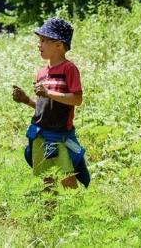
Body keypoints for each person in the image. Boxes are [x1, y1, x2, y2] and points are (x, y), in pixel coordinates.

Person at [11, 17, 90, 191]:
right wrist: (25, 100)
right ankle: (49, 215)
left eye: (44, 41)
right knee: (47, 180)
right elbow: (43, 108)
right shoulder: (40, 73)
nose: (39, 45)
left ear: (59, 45)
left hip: (60, 137)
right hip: (40, 135)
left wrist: (48, 93)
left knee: (67, 178)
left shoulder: (69, 69)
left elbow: (77, 99)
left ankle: (73, 215)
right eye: (39, 40)